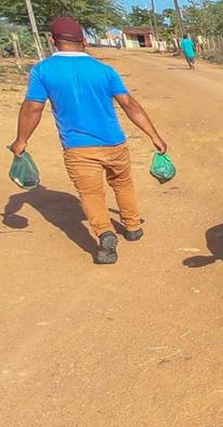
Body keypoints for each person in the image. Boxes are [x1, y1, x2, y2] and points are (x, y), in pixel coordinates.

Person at [9, 17, 169, 265]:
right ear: (83, 41)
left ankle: (105, 234)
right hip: (114, 143)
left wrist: (21, 140)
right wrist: (154, 136)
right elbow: (129, 104)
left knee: (91, 194)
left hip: (78, 148)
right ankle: (133, 226)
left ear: (53, 41)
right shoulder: (104, 70)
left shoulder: (43, 70)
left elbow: (32, 108)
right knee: (123, 184)